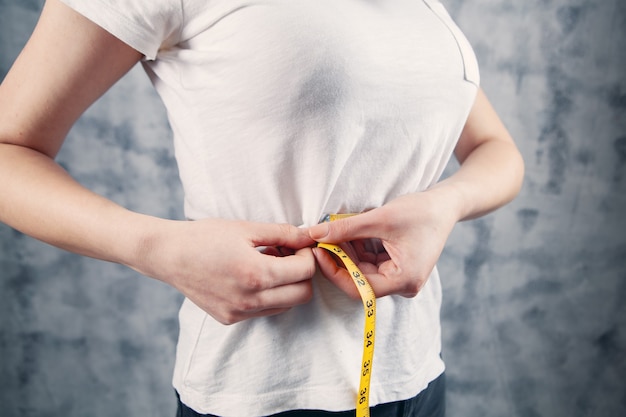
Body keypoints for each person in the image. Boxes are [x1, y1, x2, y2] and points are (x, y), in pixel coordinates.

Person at [0, 0, 524, 416]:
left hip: (416, 376)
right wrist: (157, 249)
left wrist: (445, 204)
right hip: (265, 392)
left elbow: (495, 150)